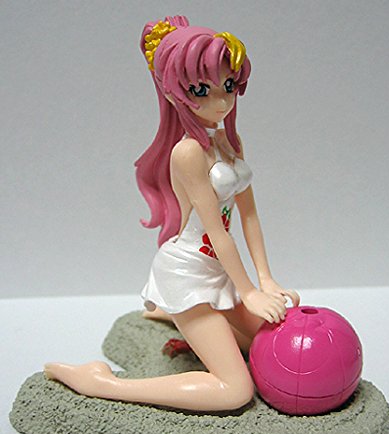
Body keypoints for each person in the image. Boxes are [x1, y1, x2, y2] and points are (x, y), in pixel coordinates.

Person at [44, 15, 300, 412]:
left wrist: (266, 280)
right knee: (235, 390)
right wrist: (248, 292)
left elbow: (249, 216)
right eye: (201, 90)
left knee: (273, 339)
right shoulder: (188, 153)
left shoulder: (231, 142)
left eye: (229, 85)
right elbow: (217, 232)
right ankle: (102, 383)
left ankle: (175, 317)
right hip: (188, 273)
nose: (221, 101)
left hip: (218, 271)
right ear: (175, 92)